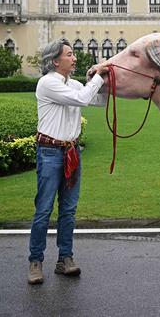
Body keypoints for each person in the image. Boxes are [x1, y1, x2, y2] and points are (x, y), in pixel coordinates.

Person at [27, 39, 109, 285]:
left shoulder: (71, 83)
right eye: (70, 54)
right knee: (43, 210)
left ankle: (65, 259)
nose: (74, 58)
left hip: (72, 152)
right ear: (55, 60)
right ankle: (35, 261)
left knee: (69, 210)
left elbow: (96, 101)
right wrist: (98, 76)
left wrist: (100, 80)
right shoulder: (47, 83)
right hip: (50, 152)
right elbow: (82, 99)